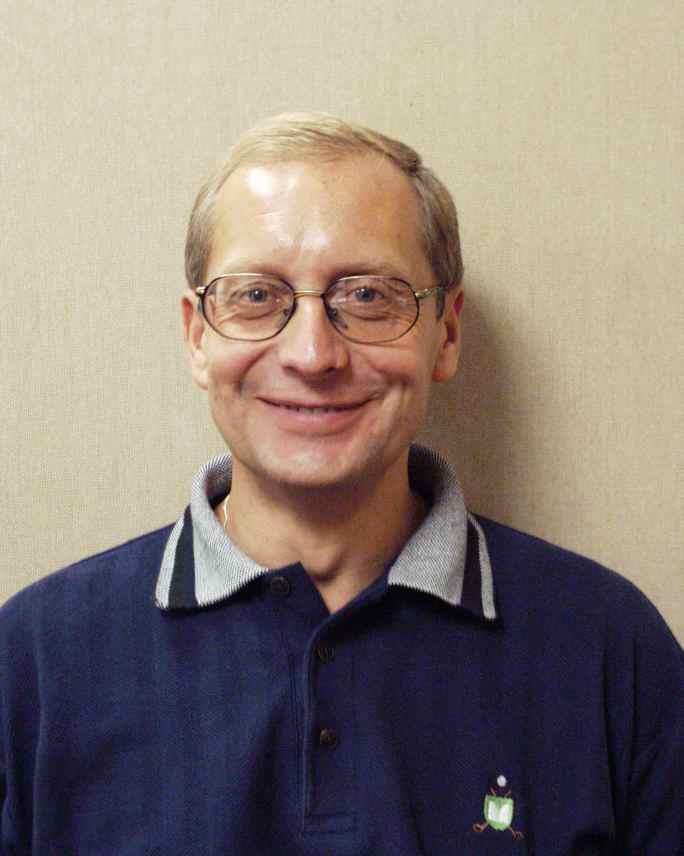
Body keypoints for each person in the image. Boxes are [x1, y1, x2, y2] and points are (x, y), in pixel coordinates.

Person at [1, 113, 681, 855]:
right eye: (257, 297)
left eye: (367, 296)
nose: (313, 354)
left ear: (445, 333)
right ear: (199, 336)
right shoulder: (33, 663)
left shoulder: (612, 651)